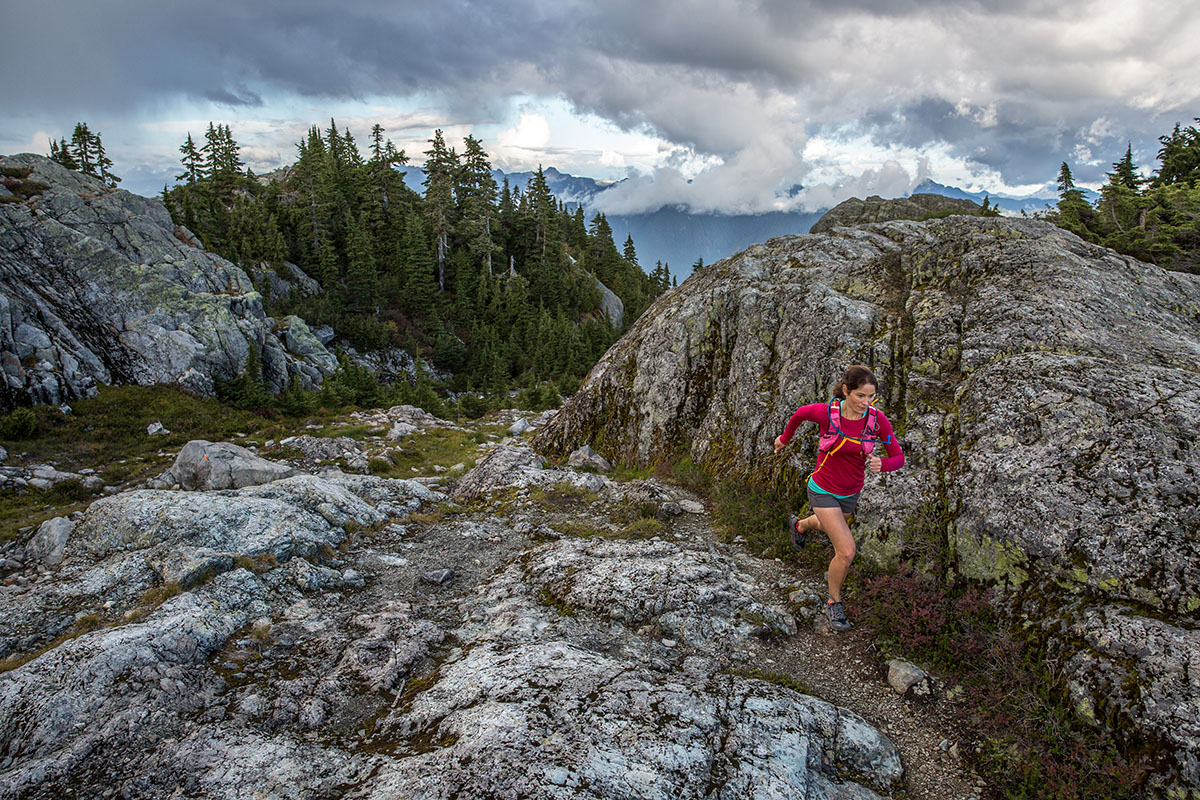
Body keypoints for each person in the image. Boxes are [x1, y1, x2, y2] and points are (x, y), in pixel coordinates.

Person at [773, 365, 904, 632]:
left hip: (850, 493)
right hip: (822, 488)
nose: (865, 403)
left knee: (830, 526)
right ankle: (834, 601)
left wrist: (884, 464)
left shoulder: (878, 421)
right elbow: (799, 414)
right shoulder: (826, 413)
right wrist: (784, 439)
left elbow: (898, 457)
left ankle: (800, 525)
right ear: (846, 391)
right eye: (860, 396)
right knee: (845, 551)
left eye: (871, 397)